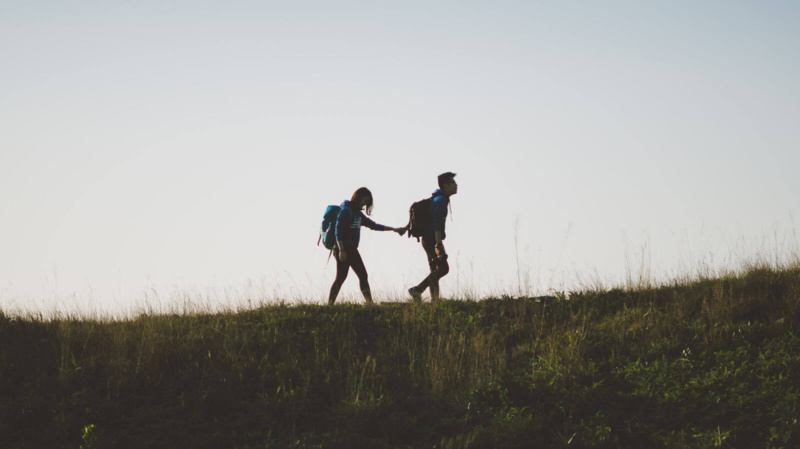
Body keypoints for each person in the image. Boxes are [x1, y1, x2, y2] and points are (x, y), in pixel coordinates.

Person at [329, 187, 405, 305]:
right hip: (343, 248)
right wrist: (341, 250)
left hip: (351, 249)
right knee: (345, 277)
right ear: (358, 197)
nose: (365, 204)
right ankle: (331, 305)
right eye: (365, 200)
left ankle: (369, 303)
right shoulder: (346, 210)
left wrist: (393, 229)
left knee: (358, 276)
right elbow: (337, 230)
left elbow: (373, 225)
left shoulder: (357, 214)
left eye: (367, 202)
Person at [408, 172, 458, 302]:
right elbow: (437, 223)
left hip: (428, 239)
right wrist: (438, 244)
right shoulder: (441, 200)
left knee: (434, 269)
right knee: (443, 268)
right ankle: (417, 290)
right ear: (446, 185)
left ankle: (435, 300)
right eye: (453, 182)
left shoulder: (437, 198)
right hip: (431, 240)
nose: (456, 185)